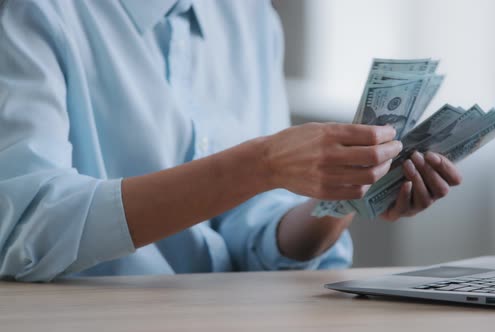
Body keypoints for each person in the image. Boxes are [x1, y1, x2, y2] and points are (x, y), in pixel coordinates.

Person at [0, 0, 462, 282]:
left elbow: (254, 232)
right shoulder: (32, 11)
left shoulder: (250, 16)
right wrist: (261, 165)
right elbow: (26, 230)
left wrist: (346, 192)